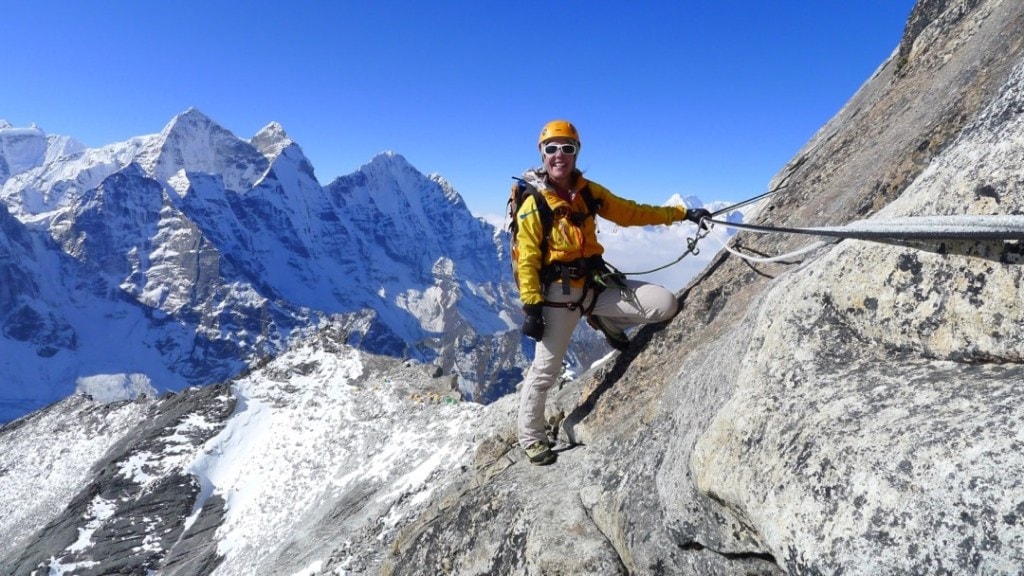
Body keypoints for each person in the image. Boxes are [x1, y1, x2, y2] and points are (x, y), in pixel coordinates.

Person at [514, 119, 710, 466]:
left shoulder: (589, 192)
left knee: (665, 304)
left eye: (567, 148)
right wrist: (532, 308)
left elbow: (631, 212)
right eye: (552, 148)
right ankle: (530, 437)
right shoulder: (534, 204)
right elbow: (526, 260)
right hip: (557, 298)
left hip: (594, 287)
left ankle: (604, 316)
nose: (559, 155)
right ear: (542, 154)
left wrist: (682, 214)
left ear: (576, 153)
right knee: (545, 371)